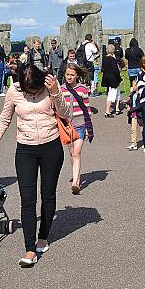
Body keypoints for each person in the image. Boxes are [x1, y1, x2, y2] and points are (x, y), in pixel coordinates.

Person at [0, 66, 67, 268]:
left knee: (48, 195)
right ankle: (29, 249)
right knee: (28, 199)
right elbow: (4, 119)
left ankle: (43, 236)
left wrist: (54, 91)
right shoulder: (14, 91)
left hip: (51, 147)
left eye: (36, 91)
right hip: (25, 149)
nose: (33, 94)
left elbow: (65, 113)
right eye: (29, 91)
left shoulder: (50, 85)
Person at [62, 63, 94, 194]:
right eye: (67, 74)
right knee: (71, 153)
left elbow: (87, 109)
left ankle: (75, 182)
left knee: (76, 152)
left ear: (77, 76)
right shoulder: (61, 89)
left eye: (72, 75)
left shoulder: (82, 89)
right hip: (67, 126)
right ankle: (77, 175)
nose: (69, 77)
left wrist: (88, 127)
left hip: (80, 124)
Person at [101, 44, 122, 117]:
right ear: (113, 51)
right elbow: (115, 70)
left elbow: (103, 68)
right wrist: (120, 79)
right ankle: (107, 111)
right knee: (111, 95)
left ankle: (117, 108)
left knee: (117, 93)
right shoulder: (112, 59)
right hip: (113, 79)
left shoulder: (104, 58)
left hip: (107, 78)